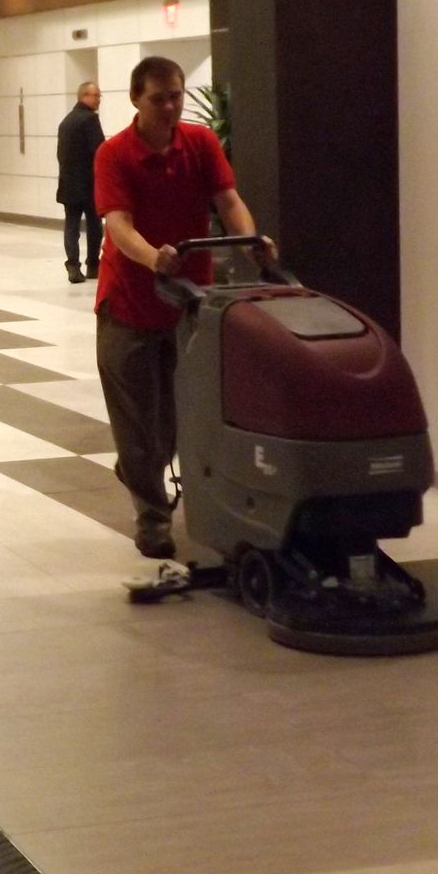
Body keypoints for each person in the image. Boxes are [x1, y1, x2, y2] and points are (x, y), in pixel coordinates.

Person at [94, 56, 274, 560]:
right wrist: (157, 260)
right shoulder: (114, 154)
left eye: (176, 95)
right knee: (137, 421)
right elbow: (118, 226)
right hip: (128, 303)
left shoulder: (200, 142)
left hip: (189, 304)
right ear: (135, 99)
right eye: (159, 98)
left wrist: (249, 239)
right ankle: (153, 517)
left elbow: (228, 198)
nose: (171, 106)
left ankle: (139, 469)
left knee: (178, 420)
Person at [55, 81, 105, 283]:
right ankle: (93, 265)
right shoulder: (90, 120)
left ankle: (73, 266)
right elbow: (101, 152)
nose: (99, 99)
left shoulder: (66, 121)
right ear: (84, 96)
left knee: (72, 226)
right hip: (89, 184)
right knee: (94, 226)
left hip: (68, 183)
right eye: (96, 95)